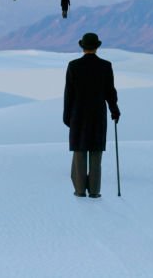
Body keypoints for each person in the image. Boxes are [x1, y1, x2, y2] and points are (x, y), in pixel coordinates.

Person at [63, 32, 120, 199]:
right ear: (97, 47)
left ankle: (80, 190)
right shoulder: (105, 66)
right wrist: (114, 110)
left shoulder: (73, 66)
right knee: (96, 152)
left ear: (82, 47)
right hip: (98, 115)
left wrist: (67, 118)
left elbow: (69, 95)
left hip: (78, 114)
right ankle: (94, 191)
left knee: (79, 152)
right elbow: (110, 93)